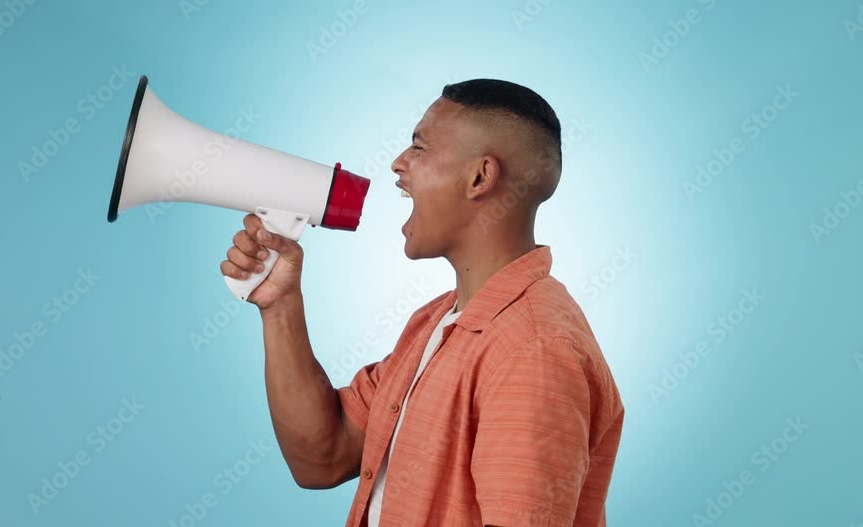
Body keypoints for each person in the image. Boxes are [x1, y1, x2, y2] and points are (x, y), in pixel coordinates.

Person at [219, 79, 624, 527]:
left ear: (480, 177)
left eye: (419, 146)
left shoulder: (533, 350)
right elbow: (323, 457)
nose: (398, 163)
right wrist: (281, 307)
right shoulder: (437, 323)